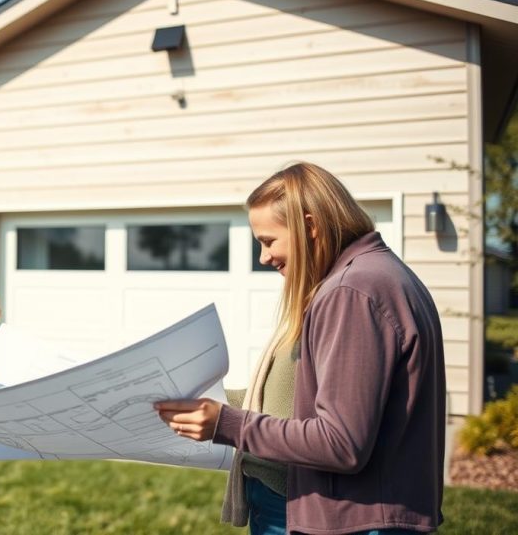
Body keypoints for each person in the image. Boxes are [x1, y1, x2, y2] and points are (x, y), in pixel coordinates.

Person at [155, 162, 446, 534]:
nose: (263, 258)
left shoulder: (352, 291)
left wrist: (225, 424)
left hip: (354, 522)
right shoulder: (371, 277)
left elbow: (341, 442)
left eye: (268, 241)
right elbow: (299, 400)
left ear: (310, 226)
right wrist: (194, 397)